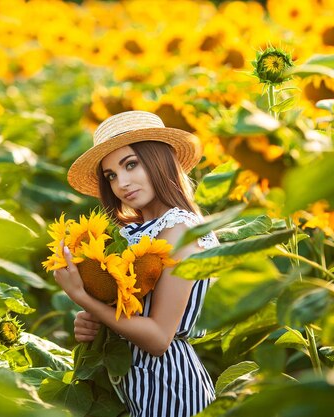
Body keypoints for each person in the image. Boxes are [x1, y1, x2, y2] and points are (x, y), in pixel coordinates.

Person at [53, 110, 218, 417]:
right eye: (111, 175)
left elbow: (158, 338)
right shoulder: (142, 231)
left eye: (131, 165)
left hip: (169, 391)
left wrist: (82, 296)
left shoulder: (179, 230)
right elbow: (131, 311)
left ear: (158, 160)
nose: (122, 183)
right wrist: (95, 320)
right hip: (136, 384)